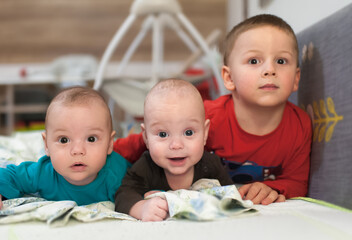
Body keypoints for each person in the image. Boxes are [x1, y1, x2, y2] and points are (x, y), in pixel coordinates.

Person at [113, 14, 313, 205]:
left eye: (281, 61)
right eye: (254, 61)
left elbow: (297, 182)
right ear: (228, 77)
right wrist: (105, 148)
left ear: (296, 78)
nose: (270, 70)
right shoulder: (208, 116)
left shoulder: (299, 125)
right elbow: (146, 140)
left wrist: (274, 188)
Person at [0, 86, 130, 210]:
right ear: (46, 145)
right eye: (64, 140)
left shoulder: (118, 176)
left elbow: (142, 188)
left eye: (91, 139)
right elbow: (12, 175)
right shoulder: (44, 173)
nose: (77, 150)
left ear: (110, 144)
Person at [114, 79, 233, 221]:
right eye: (163, 134)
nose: (176, 145)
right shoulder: (146, 167)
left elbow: (230, 197)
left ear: (205, 133)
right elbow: (123, 194)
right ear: (146, 137)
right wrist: (141, 208)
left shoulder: (211, 165)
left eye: (188, 133)